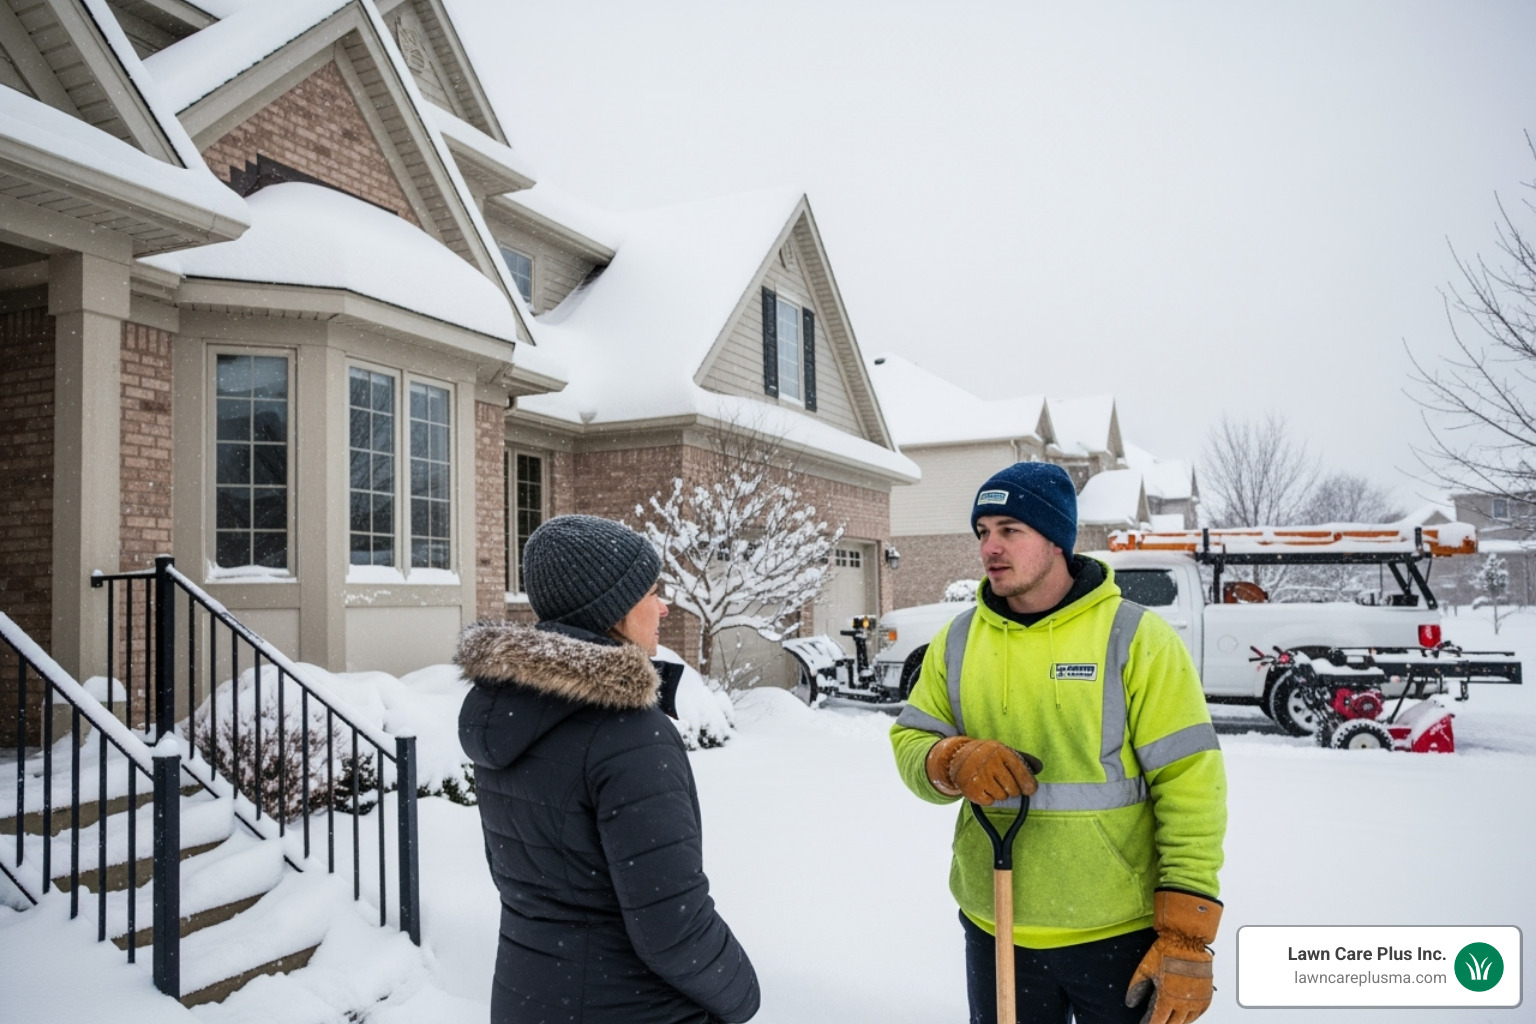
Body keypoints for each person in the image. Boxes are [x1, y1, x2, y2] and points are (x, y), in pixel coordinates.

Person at [890, 462, 1227, 1024]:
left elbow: (1191, 785)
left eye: (1008, 530)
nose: (989, 547)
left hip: (1116, 934)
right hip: (994, 927)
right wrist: (947, 760)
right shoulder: (956, 640)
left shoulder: (1135, 638)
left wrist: (1187, 935)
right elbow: (911, 739)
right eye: (982, 532)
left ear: (1056, 540)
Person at [458, 514, 760, 1024]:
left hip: (528, 997)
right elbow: (673, 927)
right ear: (613, 609)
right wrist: (743, 996)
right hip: (631, 1007)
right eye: (651, 591)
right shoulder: (628, 734)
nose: (664, 606)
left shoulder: (511, 712)